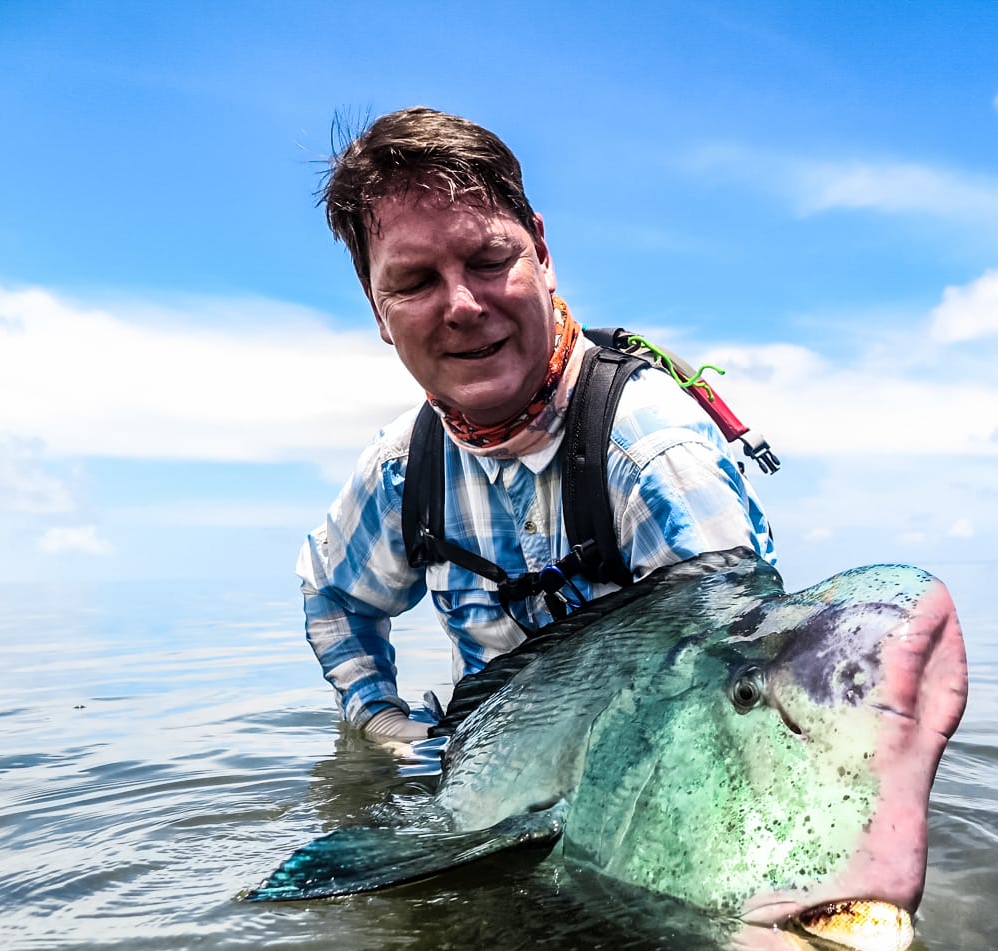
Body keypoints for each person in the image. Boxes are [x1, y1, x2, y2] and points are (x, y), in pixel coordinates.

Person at [298, 107, 776, 752]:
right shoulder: (401, 467)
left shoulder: (657, 458)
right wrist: (386, 728)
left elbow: (738, 715)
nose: (463, 307)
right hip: (485, 773)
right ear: (376, 308)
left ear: (543, 255)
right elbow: (334, 595)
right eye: (413, 282)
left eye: (490, 260)